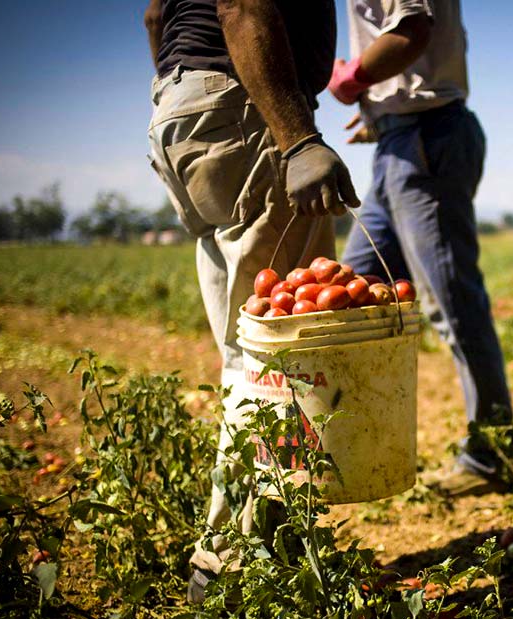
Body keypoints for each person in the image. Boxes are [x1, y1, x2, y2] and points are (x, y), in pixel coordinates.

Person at [143, 0, 359, 602]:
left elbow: (155, 17)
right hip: (245, 106)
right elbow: (242, 3)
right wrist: (297, 139)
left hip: (183, 111)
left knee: (247, 353)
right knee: (278, 359)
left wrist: (181, 92)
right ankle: (233, 566)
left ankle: (252, 548)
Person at [327, 0, 513, 497]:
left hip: (427, 136)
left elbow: (410, 32)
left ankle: (491, 454)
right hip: (400, 140)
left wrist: (352, 80)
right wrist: (382, 115)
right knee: (349, 294)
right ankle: (354, 444)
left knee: (451, 302)